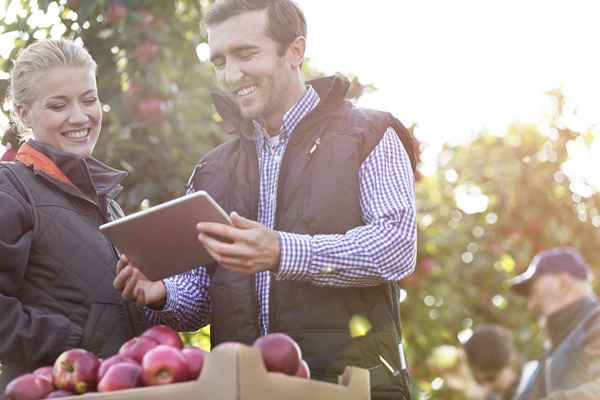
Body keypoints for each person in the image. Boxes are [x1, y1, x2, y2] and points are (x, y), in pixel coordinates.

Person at [114, 0, 418, 398]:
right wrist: (162, 293)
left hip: (352, 387)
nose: (231, 74)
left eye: (245, 54)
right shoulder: (211, 172)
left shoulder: (369, 134)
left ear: (295, 51)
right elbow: (203, 296)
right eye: (219, 60)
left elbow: (396, 247)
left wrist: (282, 252)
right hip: (246, 390)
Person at [0, 39, 148, 392]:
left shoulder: (108, 204)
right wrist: (75, 340)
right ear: (22, 113)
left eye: (89, 99)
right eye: (58, 105)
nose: (80, 117)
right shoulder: (10, 188)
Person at [509, 247, 600, 400]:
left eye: (534, 291)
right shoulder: (549, 358)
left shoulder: (596, 323)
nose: (531, 305)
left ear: (562, 283)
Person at [463, 324, 527, 400]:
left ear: (512, 362)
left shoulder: (541, 381)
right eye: (480, 383)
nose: (487, 388)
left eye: (491, 378)